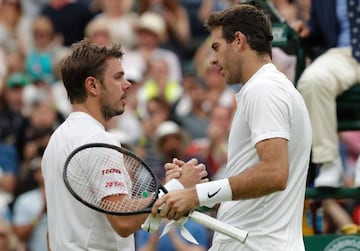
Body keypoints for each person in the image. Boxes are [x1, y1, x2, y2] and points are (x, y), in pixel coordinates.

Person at [151, 4, 312, 251]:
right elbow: (252, 195)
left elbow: (274, 173)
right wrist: (190, 191)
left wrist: (197, 195)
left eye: (216, 48)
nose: (213, 59)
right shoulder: (265, 88)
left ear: (238, 41)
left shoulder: (264, 89)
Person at [41, 38, 207, 250]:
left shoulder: (56, 141)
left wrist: (166, 188)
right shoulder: (99, 140)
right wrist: (177, 188)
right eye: (118, 77)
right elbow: (123, 220)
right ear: (92, 85)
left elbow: (52, 232)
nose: (127, 84)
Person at [291, 0, 360, 188]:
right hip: (341, 54)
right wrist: (307, 31)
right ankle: (329, 162)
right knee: (312, 81)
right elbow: (318, 31)